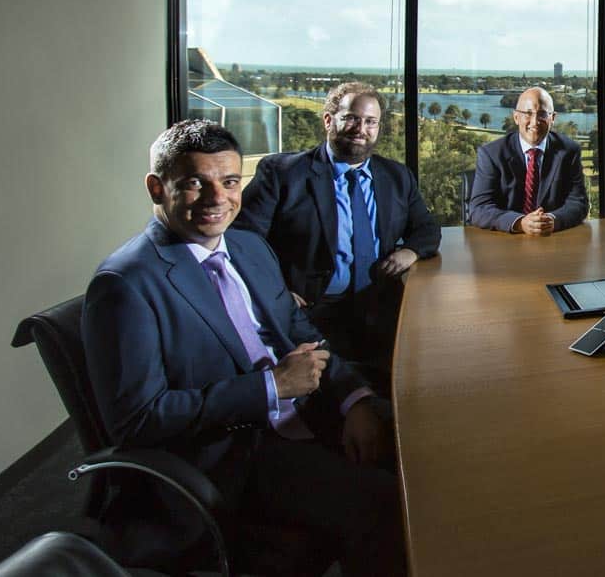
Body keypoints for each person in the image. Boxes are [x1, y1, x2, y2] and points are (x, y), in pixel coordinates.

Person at [82, 120, 404, 575]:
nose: (218, 198)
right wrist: (270, 386)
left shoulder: (250, 246)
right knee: (388, 509)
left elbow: (300, 331)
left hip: (310, 415)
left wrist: (356, 400)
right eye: (195, 183)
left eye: (230, 181)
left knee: (431, 452)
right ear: (157, 188)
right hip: (236, 458)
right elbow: (138, 419)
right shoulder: (125, 284)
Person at [237, 82, 440, 387]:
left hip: (379, 306)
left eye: (370, 122)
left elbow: (426, 228)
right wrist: (275, 289)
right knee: (331, 397)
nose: (361, 128)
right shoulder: (283, 175)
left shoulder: (397, 177)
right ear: (329, 120)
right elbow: (243, 241)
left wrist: (409, 251)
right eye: (351, 118)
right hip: (310, 313)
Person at [467, 86, 589, 235]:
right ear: (516, 117)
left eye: (542, 114)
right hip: (505, 243)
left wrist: (551, 220)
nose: (534, 121)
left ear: (553, 118)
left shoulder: (569, 151)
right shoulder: (491, 154)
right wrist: (520, 222)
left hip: (553, 242)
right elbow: (479, 209)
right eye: (528, 114)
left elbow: (579, 203)